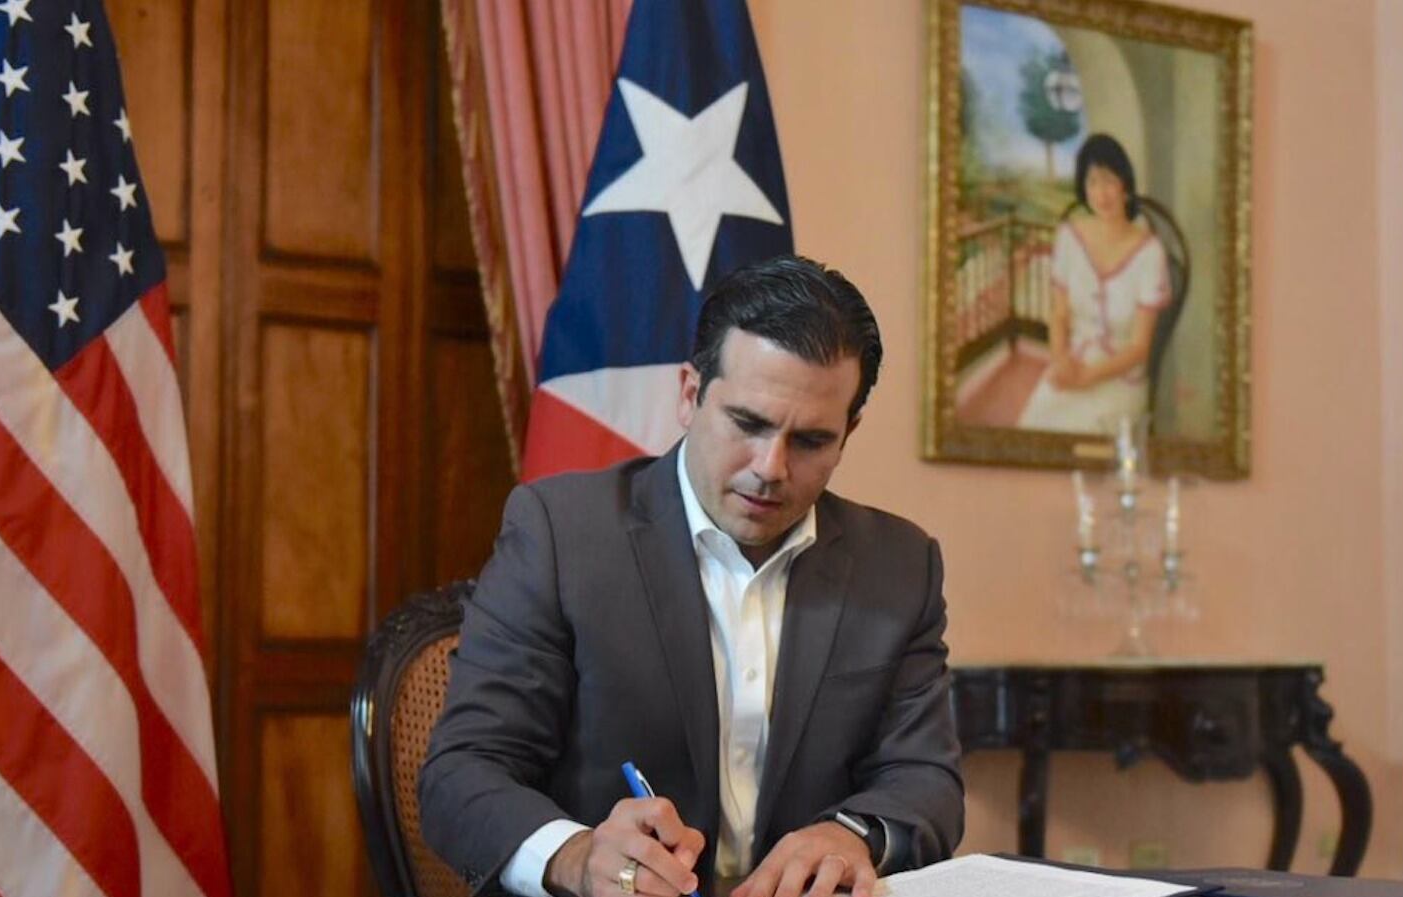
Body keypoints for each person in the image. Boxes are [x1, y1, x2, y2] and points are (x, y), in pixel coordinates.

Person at [419, 255, 963, 897]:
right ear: (689, 394)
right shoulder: (562, 534)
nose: (770, 467)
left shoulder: (899, 564)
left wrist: (853, 834)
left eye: (811, 441)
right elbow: (463, 773)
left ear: (849, 432)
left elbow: (926, 779)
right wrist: (577, 856)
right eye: (748, 423)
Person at [1018, 133, 1170, 434]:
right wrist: (1061, 361)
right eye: (1092, 182)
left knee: (1083, 437)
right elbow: (1059, 315)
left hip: (1120, 376)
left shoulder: (1150, 252)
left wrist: (1088, 378)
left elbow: (1139, 348)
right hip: (1073, 362)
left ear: (1125, 185)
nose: (1101, 194)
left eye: (1109, 181)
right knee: (1030, 431)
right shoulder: (1069, 236)